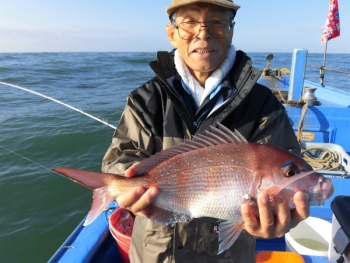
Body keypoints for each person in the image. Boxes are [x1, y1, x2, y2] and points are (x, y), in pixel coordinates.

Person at [102, 0, 309, 262]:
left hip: (229, 254)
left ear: (231, 30)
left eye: (217, 22)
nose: (203, 33)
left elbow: (285, 168)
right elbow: (119, 160)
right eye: (189, 22)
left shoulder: (263, 104)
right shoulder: (145, 100)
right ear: (172, 33)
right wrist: (128, 187)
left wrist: (280, 217)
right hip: (156, 252)